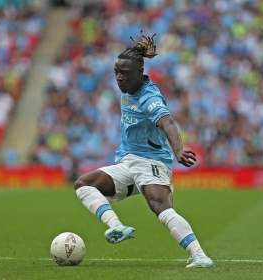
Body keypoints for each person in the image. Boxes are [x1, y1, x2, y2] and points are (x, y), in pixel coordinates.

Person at [74, 31, 215, 268]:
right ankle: (117, 227)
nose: (119, 78)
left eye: (125, 73)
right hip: (128, 161)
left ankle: (200, 255)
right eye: (116, 72)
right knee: (84, 184)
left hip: (152, 162)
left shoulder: (149, 98)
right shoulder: (128, 89)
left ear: (140, 73)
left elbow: (168, 122)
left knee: (160, 206)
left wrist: (178, 150)